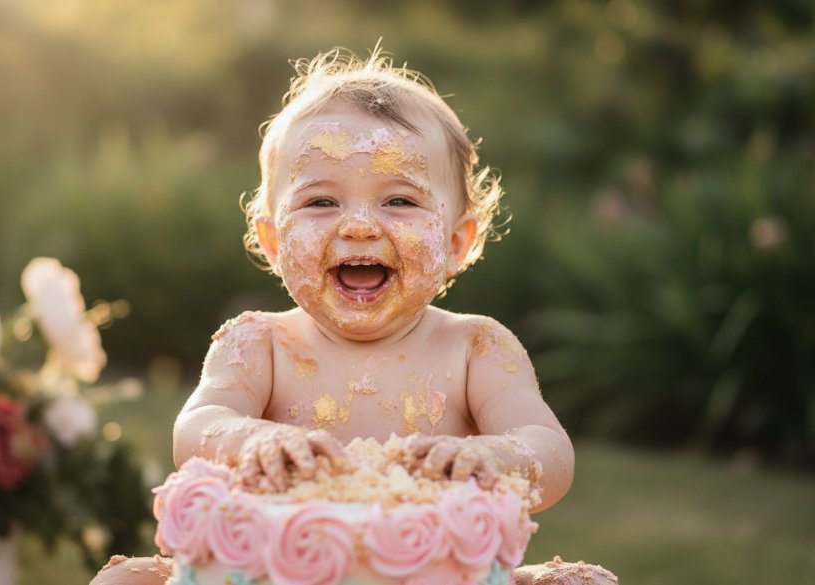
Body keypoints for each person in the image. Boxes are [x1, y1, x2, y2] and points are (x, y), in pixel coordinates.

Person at [93, 47, 615, 585]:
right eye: (321, 203)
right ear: (271, 240)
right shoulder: (259, 344)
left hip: (439, 576)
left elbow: (547, 446)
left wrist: (498, 458)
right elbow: (197, 427)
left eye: (400, 202)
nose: (360, 225)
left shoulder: (475, 348)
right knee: (123, 580)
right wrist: (250, 440)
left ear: (458, 240)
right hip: (274, 575)